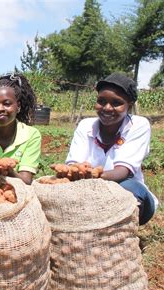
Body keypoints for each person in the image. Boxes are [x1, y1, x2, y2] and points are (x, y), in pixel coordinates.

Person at [66, 73, 158, 225]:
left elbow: (123, 171)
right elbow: (74, 166)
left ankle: (122, 235)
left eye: (116, 103)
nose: (107, 108)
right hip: (88, 191)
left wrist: (92, 176)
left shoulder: (138, 125)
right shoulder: (86, 126)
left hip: (128, 190)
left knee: (129, 189)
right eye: (101, 101)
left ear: (130, 104)